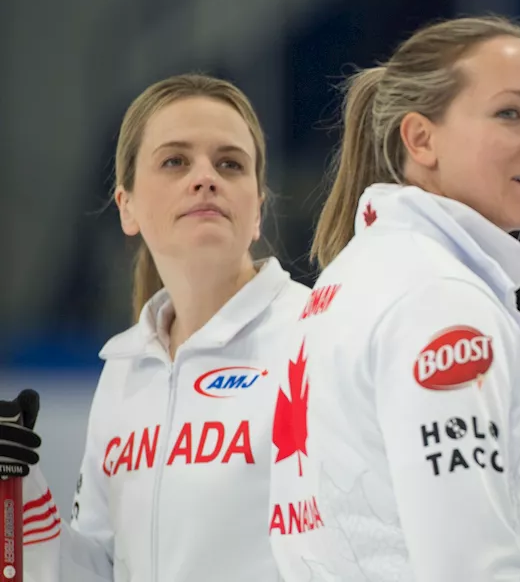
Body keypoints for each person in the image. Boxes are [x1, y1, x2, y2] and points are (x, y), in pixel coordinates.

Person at [267, 15, 520, 581]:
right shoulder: (441, 301)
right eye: (510, 112)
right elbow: (469, 567)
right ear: (421, 139)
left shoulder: (349, 278)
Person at [6, 73, 312, 581]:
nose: (205, 176)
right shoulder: (125, 370)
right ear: (126, 207)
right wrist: (19, 493)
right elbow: (101, 568)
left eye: (229, 163)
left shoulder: (314, 333)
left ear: (257, 210)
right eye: (175, 161)